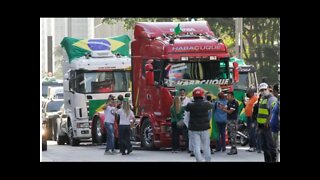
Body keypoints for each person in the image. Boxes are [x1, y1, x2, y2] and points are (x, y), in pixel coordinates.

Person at [185, 87, 213, 162]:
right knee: (206, 146)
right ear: (202, 95)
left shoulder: (190, 105)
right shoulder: (207, 104)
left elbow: (186, 109)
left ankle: (199, 160)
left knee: (196, 146)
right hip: (205, 128)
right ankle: (208, 160)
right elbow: (211, 106)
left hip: (194, 128)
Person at [257, 82, 277, 162]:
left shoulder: (271, 99)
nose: (263, 91)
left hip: (268, 126)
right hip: (262, 126)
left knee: (270, 146)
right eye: (261, 90)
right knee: (265, 147)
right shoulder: (263, 99)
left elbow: (273, 111)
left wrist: (268, 121)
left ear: (268, 89)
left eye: (264, 89)